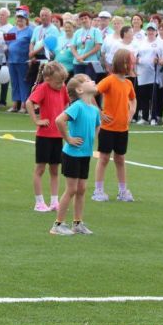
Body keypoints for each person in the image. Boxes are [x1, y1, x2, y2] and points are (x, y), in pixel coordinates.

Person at [50, 74, 100, 235]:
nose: (92, 81)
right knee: (71, 189)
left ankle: (77, 223)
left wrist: (92, 140)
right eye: (87, 81)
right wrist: (68, 138)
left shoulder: (93, 109)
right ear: (79, 89)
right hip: (72, 154)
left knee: (82, 188)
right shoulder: (77, 106)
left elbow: (98, 125)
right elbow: (59, 120)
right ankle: (58, 225)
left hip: (85, 154)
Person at [92, 49, 137, 202]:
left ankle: (123, 191)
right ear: (123, 63)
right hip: (108, 128)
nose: (133, 65)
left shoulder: (129, 83)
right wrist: (99, 112)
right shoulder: (109, 80)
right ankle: (98, 190)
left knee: (120, 159)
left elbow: (133, 100)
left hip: (122, 129)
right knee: (104, 158)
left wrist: (131, 113)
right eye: (131, 62)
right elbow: (93, 93)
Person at [25, 61, 70, 212]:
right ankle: (39, 202)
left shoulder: (62, 88)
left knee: (55, 170)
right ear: (47, 79)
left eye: (63, 81)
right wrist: (37, 120)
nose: (61, 84)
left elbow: (66, 105)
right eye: (58, 82)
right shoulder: (43, 88)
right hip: (44, 135)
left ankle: (54, 202)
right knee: (40, 169)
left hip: (58, 136)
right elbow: (29, 103)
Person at [5, 8, 33, 113]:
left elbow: (33, 44)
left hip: (23, 61)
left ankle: (23, 105)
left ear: (26, 19)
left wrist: (31, 58)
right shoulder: (12, 30)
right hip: (12, 60)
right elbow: (7, 44)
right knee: (14, 83)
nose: (19, 20)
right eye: (18, 18)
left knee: (23, 82)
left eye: (22, 18)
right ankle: (15, 104)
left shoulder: (30, 31)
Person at [135, 22, 163, 125]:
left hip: (154, 74)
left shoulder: (160, 43)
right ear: (146, 31)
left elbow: (162, 59)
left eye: (153, 30)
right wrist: (137, 60)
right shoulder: (141, 42)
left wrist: (159, 60)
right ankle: (145, 117)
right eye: (149, 30)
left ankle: (154, 118)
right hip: (142, 74)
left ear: (156, 32)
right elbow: (136, 56)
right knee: (143, 96)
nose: (150, 32)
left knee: (154, 97)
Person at [70, 11, 104, 80]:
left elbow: (98, 46)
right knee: (78, 83)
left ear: (90, 19)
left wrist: (83, 56)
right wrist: (78, 57)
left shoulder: (96, 31)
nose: (84, 20)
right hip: (78, 62)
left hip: (91, 62)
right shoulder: (77, 32)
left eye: (86, 18)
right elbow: (72, 47)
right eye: (82, 19)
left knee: (89, 83)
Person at [0, 7, 13, 106]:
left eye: (3, 14)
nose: (1, 16)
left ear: (8, 16)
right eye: (0, 14)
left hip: (5, 57)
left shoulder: (11, 28)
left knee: (4, 78)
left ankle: (2, 100)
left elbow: (11, 43)